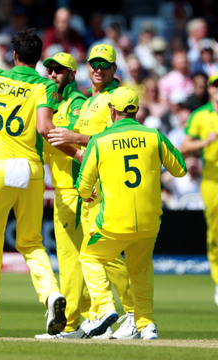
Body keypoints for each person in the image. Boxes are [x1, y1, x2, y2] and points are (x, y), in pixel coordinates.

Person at [0, 28, 82, 338]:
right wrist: (76, 153)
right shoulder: (46, 85)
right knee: (31, 242)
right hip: (32, 169)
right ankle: (50, 293)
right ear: (38, 58)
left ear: (14, 55)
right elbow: (47, 129)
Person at [76, 86, 187, 339]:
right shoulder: (154, 135)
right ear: (136, 109)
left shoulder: (99, 140)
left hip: (113, 221)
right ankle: (146, 324)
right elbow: (180, 168)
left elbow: (83, 185)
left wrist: (87, 194)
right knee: (140, 269)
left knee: (89, 257)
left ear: (111, 110)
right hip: (150, 221)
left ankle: (104, 308)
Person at [48, 44, 137, 339]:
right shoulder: (91, 100)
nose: (98, 69)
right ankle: (100, 316)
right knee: (92, 255)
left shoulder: (114, 98)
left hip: (105, 187)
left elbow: (121, 135)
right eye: (94, 64)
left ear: (114, 69)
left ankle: (136, 315)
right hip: (88, 188)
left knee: (105, 254)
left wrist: (76, 138)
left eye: (105, 64)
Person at [34, 52, 89, 339]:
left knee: (70, 260)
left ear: (71, 74)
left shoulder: (77, 103)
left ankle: (69, 325)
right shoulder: (54, 103)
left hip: (76, 189)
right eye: (50, 69)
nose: (53, 74)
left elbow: (84, 144)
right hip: (62, 188)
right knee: (81, 258)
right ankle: (95, 317)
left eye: (59, 70)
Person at [180, 73, 218, 307]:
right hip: (213, 179)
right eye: (216, 86)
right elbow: (184, 147)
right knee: (215, 230)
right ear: (210, 90)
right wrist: (205, 142)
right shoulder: (201, 115)